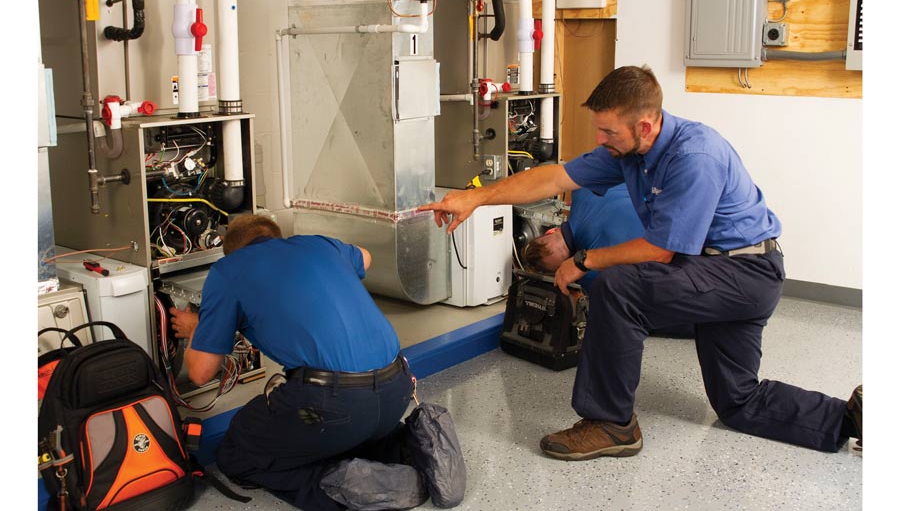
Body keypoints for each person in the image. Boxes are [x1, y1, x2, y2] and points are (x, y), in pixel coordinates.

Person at [419, 65, 862, 459]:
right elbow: (555, 176)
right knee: (738, 403)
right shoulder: (629, 153)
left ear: (645, 126)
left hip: (745, 272)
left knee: (618, 285)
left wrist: (584, 259)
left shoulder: (695, 156)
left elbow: (660, 251)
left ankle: (612, 424)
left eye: (608, 132)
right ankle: (851, 419)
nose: (600, 140)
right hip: (720, 271)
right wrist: (475, 198)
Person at [169, 214, 417, 510]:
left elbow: (200, 372)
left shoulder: (229, 270)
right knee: (342, 429)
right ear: (277, 237)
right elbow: (364, 257)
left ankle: (344, 490)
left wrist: (198, 328)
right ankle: (409, 451)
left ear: (231, 249)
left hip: (337, 405)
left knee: (236, 451)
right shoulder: (319, 244)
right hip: (398, 388)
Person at [523, 184, 694, 339]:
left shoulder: (590, 275)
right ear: (551, 231)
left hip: (686, 273)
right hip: (695, 221)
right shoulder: (583, 189)